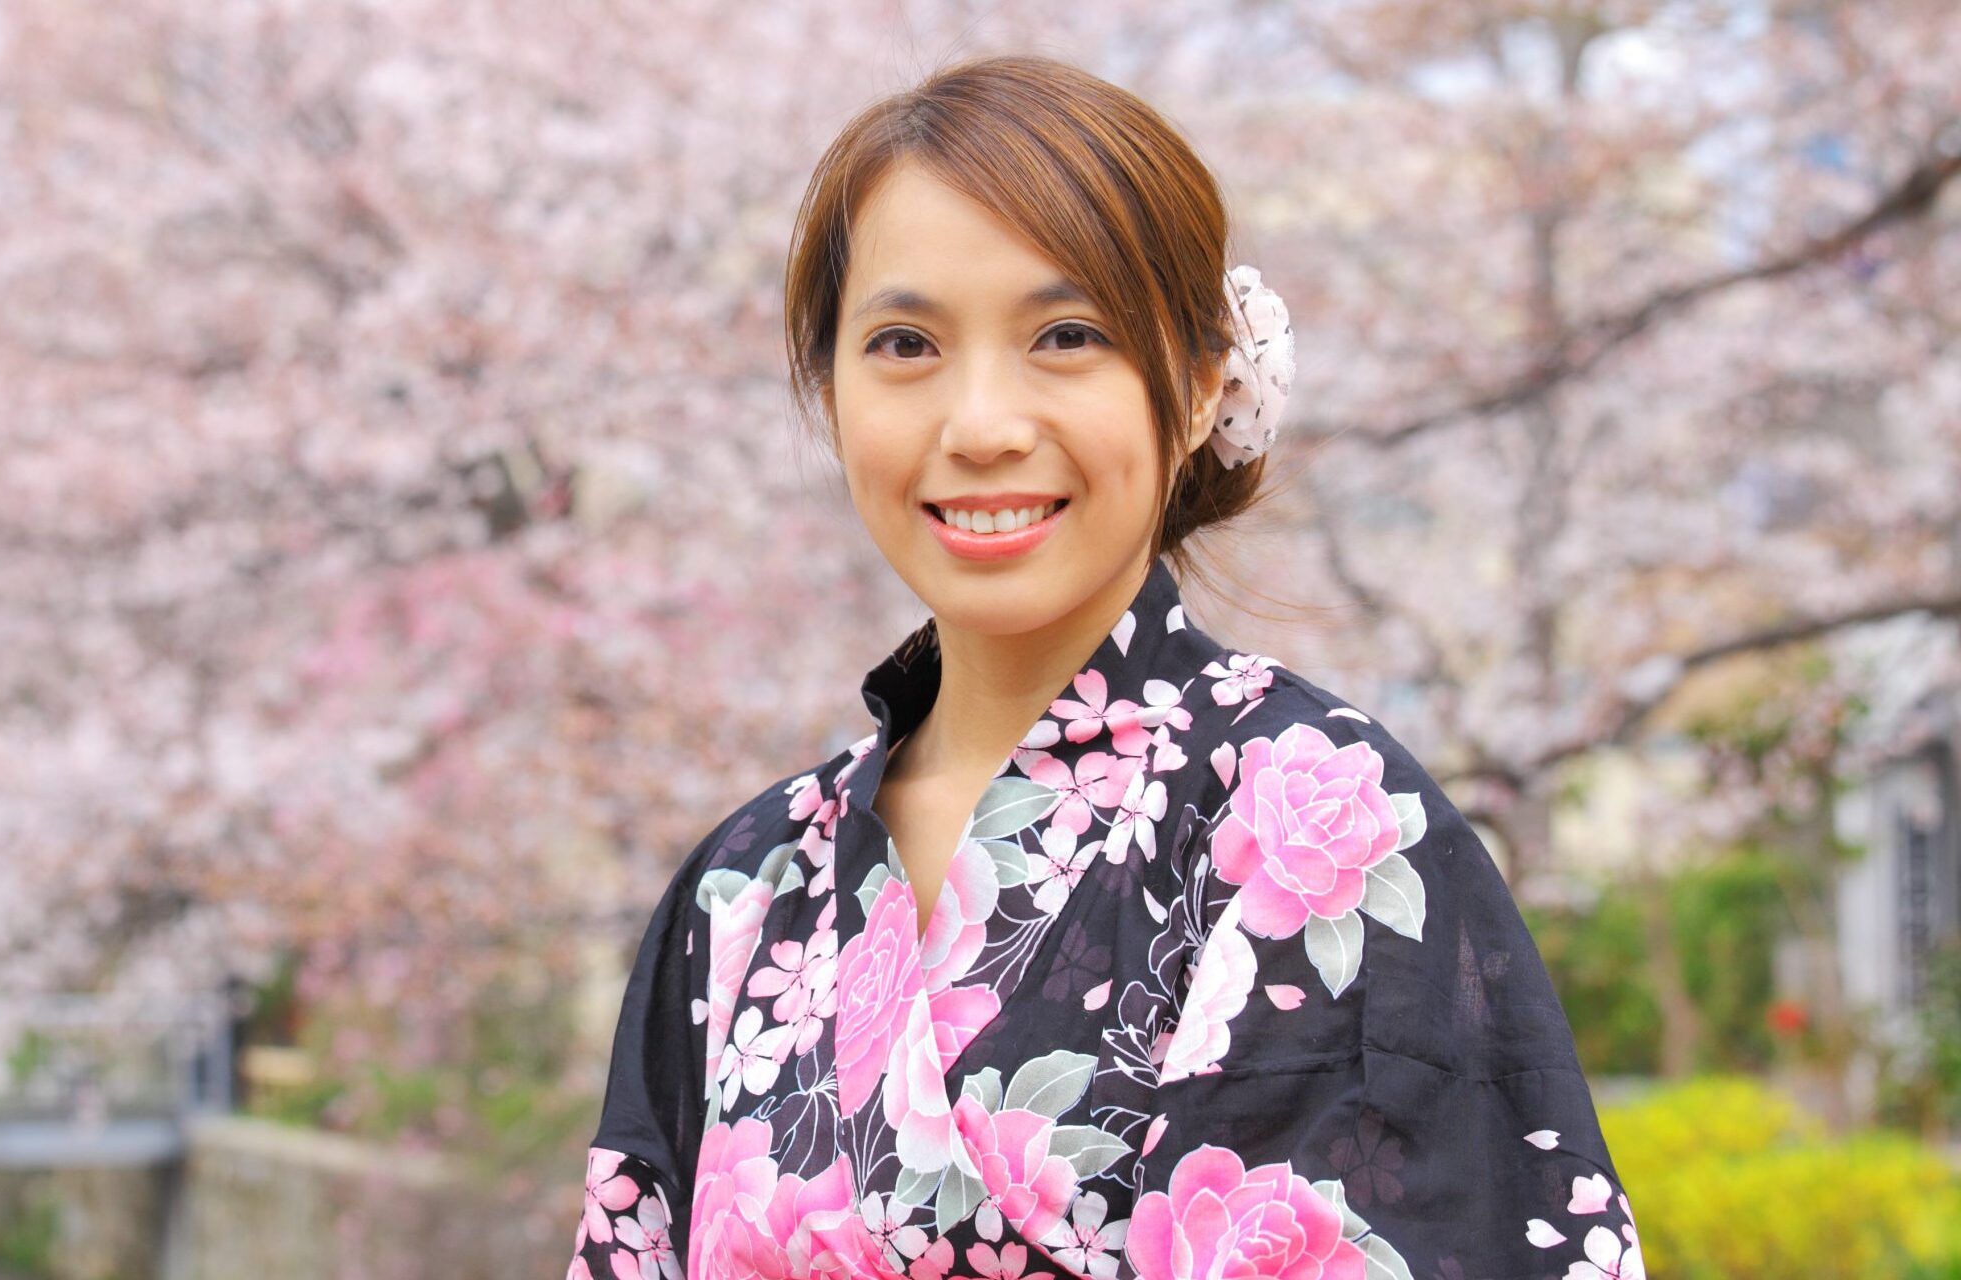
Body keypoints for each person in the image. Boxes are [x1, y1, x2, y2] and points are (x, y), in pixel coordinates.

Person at [570, 53, 1644, 1280]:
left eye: (1065, 335)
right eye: (905, 342)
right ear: (830, 390)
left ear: (1195, 386)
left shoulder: (1307, 820)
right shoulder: (746, 884)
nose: (979, 424)